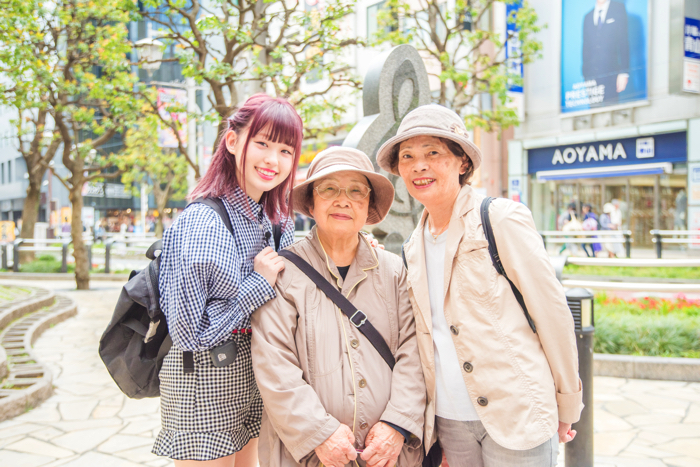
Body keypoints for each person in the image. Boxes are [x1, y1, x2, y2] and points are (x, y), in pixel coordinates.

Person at [376, 105, 583, 467]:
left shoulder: (499, 218)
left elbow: (552, 314)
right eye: (407, 157)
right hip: (450, 422)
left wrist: (568, 401)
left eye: (433, 153)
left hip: (517, 414)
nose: (418, 166)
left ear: (462, 163)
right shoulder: (412, 248)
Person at [251, 147, 426, 467]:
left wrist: (397, 425)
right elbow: (274, 365)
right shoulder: (284, 274)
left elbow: (414, 353)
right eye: (329, 188)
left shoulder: (394, 271)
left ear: (369, 204)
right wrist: (320, 433)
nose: (342, 200)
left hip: (388, 456)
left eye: (356, 190)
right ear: (312, 202)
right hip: (307, 457)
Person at [153, 94, 304, 467]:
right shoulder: (204, 223)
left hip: (249, 379)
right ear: (234, 142)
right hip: (202, 386)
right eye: (263, 143)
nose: (273, 160)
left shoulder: (271, 218)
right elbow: (190, 333)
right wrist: (258, 282)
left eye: (286, 150)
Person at [582, 0, 630, 105]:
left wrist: (624, 72)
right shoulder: (588, 16)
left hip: (612, 74)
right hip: (592, 76)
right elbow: (586, 47)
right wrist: (585, 75)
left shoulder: (618, 9)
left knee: (611, 110)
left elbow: (623, 42)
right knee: (594, 112)